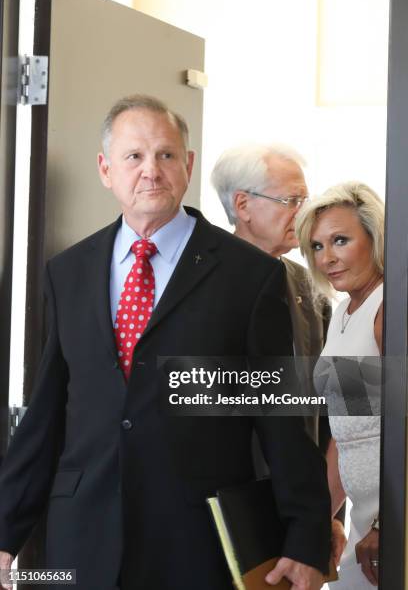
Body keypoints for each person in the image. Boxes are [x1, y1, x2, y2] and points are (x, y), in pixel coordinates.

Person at [0, 95, 331, 590]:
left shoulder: (250, 276)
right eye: (134, 156)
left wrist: (307, 540)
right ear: (105, 169)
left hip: (195, 542)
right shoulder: (67, 272)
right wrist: (5, 532)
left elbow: (280, 412)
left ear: (188, 165)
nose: (151, 171)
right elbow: (46, 414)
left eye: (166, 155)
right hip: (80, 541)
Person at [211, 143, 346, 564]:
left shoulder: (313, 288)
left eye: (305, 200)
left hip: (297, 509)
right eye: (291, 200)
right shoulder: (198, 286)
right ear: (243, 205)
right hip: (216, 511)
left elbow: (342, 412)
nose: (305, 213)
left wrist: (327, 513)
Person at [296, 181, 384, 589]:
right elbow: (349, 431)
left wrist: (390, 523)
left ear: (375, 237)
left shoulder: (390, 308)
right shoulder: (346, 310)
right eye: (316, 246)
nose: (327, 258)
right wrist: (316, 519)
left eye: (340, 240)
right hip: (364, 521)